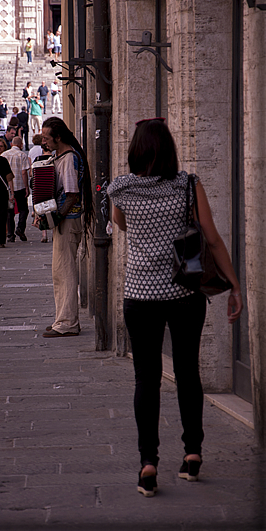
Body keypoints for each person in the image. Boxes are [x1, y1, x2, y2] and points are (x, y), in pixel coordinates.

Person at [107, 118, 243, 498]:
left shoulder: (120, 188)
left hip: (140, 296)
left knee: (146, 379)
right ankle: (193, 452)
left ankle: (148, 463)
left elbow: (121, 226)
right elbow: (212, 240)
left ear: (135, 150)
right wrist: (234, 285)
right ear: (169, 150)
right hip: (185, 295)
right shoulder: (188, 185)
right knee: (187, 373)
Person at [40, 117, 93, 337]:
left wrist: (55, 217)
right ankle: (63, 318)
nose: (44, 142)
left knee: (65, 271)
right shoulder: (60, 157)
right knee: (59, 272)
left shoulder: (69, 158)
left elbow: (72, 195)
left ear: (58, 137)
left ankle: (68, 323)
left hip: (68, 221)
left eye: (46, 138)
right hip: (65, 220)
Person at [2, 136, 30, 243]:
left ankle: (10, 234)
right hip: (20, 186)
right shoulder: (22, 155)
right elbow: (24, 172)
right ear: (21, 144)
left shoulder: (4, 155)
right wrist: (26, 187)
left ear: (12, 144)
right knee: (24, 209)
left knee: (10, 211)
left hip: (8, 188)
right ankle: (20, 228)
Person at [31, 142, 53, 243]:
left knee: (42, 211)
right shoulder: (54, 158)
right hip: (51, 186)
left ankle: (44, 234)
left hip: (40, 187)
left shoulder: (38, 159)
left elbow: (32, 173)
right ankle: (54, 233)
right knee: (52, 209)